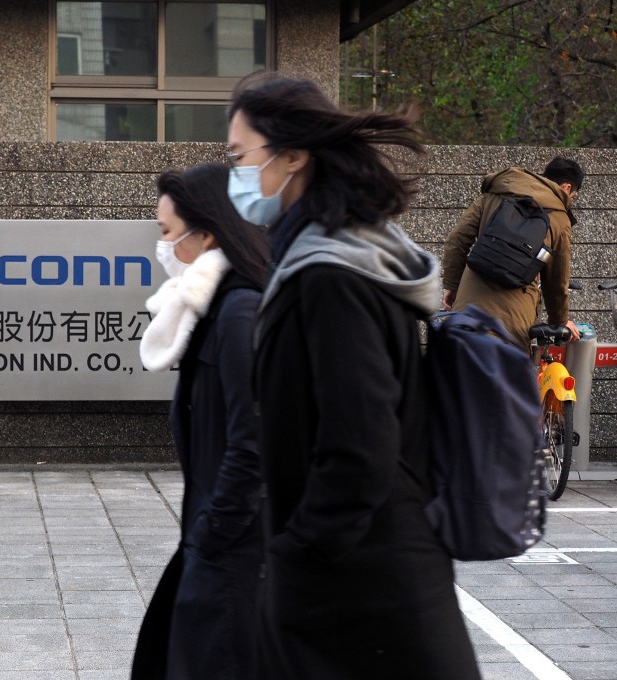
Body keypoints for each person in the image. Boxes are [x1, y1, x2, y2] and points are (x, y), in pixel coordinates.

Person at [226, 74, 481, 679]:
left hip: (363, 587)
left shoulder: (331, 275)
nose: (233, 172)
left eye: (239, 156)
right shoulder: (341, 253)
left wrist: (299, 553)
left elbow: (359, 445)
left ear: (294, 155)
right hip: (367, 569)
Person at [131, 162, 268, 680]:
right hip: (215, 541)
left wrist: (215, 532)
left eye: (167, 233)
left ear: (206, 233)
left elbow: (253, 441)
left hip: (236, 552)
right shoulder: (210, 311)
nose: (163, 247)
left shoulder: (239, 314)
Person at [442, 157, 585, 350]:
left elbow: (457, 239)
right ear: (567, 187)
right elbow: (556, 281)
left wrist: (452, 285)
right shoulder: (560, 218)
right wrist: (559, 322)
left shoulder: (495, 194)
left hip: (467, 313)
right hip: (511, 324)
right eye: (573, 197)